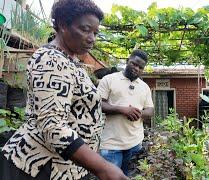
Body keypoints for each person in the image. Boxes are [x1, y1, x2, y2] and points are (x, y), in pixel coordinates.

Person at [0, 0, 128, 179]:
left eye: (95, 32)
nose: (92, 38)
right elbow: (53, 125)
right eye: (85, 29)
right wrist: (103, 168)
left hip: (66, 167)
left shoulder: (70, 61)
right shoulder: (50, 59)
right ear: (62, 24)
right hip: (41, 166)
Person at [98, 49, 154, 176]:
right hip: (111, 144)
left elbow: (150, 110)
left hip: (135, 144)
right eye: (134, 64)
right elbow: (98, 104)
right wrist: (123, 110)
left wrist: (137, 113)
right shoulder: (109, 79)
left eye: (140, 67)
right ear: (127, 61)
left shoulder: (144, 87)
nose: (136, 68)